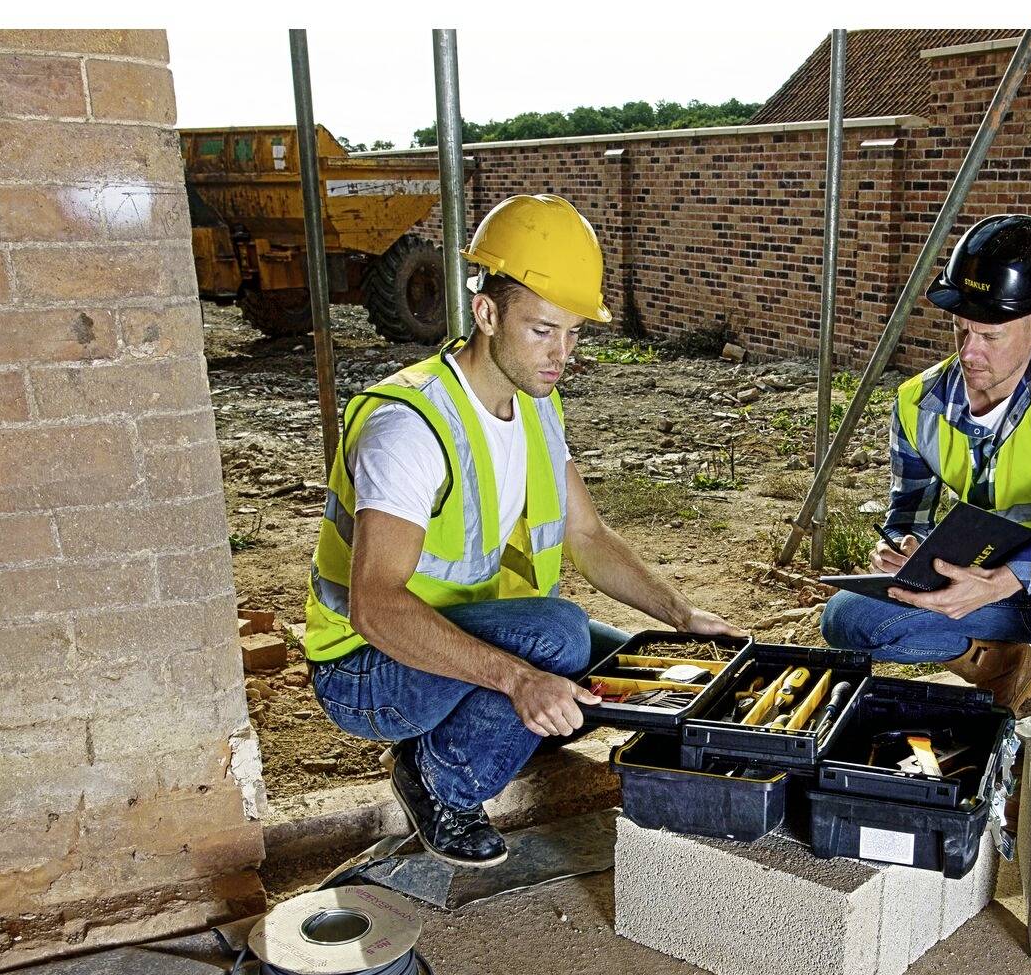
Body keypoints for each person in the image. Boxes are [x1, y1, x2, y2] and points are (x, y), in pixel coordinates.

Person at [303, 194, 733, 864]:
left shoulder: (536, 403)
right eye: (541, 331)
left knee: (628, 676)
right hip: (366, 671)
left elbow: (586, 536)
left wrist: (680, 613)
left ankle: (477, 722)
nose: (561, 354)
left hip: (463, 633)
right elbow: (374, 604)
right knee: (558, 639)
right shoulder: (410, 427)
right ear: (487, 312)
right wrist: (517, 677)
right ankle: (440, 780)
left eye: (573, 333)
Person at [820, 213, 1031, 765]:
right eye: (961, 330)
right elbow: (910, 512)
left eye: (991, 335)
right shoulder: (917, 403)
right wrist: (902, 550)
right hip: (975, 589)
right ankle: (1008, 670)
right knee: (849, 618)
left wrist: (1007, 580)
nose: (970, 352)